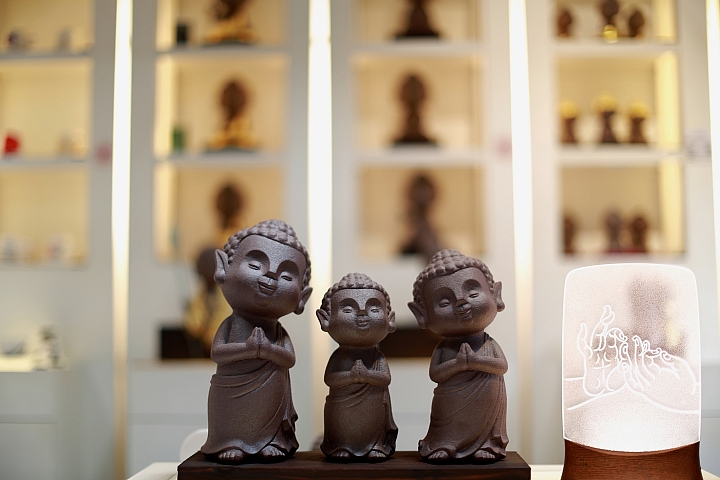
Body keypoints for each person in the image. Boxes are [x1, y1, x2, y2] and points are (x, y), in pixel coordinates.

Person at [200, 219, 312, 463]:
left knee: (268, 413)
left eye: (287, 276)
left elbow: (289, 359)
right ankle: (231, 441)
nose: (270, 276)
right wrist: (248, 349)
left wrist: (268, 350)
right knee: (233, 416)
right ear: (223, 268)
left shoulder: (278, 332)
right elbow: (218, 353)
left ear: (301, 298)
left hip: (271, 392)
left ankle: (271, 441)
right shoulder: (232, 324)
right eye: (254, 265)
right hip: (232, 391)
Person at [408, 249, 508, 462]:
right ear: (422, 315)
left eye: (473, 294)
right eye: (444, 303)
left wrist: (477, 361)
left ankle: (487, 445)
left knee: (485, 421)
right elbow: (435, 374)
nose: (461, 302)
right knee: (446, 423)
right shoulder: (444, 348)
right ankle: (444, 444)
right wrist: (458, 364)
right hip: (451, 403)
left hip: (486, 402)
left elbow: (501, 366)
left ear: (496, 296)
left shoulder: (488, 344)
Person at [316, 273, 398, 461]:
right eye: (347, 310)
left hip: (373, 404)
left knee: (373, 424)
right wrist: (352, 377)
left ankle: (374, 445)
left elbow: (385, 378)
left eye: (374, 309)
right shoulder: (339, 355)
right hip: (343, 405)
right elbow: (329, 379)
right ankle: (342, 445)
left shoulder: (377, 356)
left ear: (390, 320)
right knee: (343, 425)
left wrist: (366, 375)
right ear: (325, 320)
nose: (362, 313)